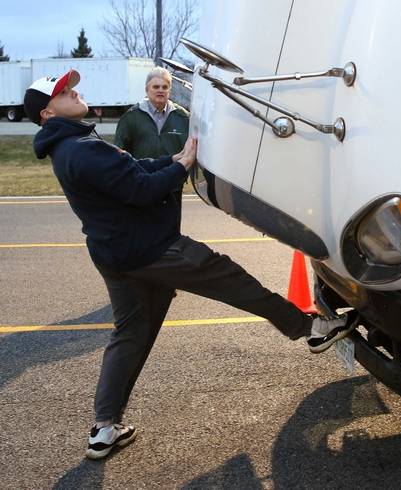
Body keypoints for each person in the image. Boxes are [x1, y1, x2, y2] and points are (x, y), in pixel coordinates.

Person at [24, 70, 356, 461]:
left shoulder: (73, 143)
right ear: (48, 113)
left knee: (130, 335)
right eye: (64, 92)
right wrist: (182, 167)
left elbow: (132, 169)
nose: (74, 92)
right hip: (150, 251)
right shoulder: (80, 149)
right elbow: (142, 189)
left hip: (117, 255)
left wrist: (173, 159)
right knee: (230, 278)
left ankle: (104, 428)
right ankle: (310, 328)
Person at [115, 67, 190, 227]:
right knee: (143, 230)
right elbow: (118, 152)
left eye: (165, 87)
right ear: (147, 89)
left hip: (173, 186)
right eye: (156, 87)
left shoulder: (183, 117)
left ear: (170, 90)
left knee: (171, 231)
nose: (160, 90)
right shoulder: (131, 117)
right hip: (143, 184)